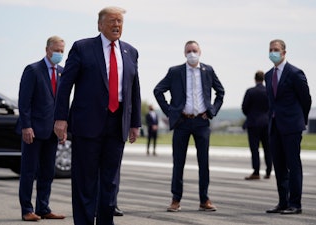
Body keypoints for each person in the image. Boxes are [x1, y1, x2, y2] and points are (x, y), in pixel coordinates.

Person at [53, 6, 141, 225]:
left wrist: (135, 123)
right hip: (87, 124)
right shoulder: (83, 48)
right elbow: (65, 86)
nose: (116, 25)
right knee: (85, 180)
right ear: (100, 24)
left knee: (110, 182)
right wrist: (60, 118)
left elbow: (134, 90)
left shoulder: (131, 52)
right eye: (112, 21)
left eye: (120, 21)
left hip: (117, 124)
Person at [154, 40, 225, 212]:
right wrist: (170, 111)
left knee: (203, 162)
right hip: (182, 122)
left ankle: (204, 199)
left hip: (201, 122)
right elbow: (158, 90)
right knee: (178, 162)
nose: (192, 53)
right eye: (188, 51)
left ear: (200, 52)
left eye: (194, 50)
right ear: (184, 53)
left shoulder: (208, 70)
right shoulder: (175, 71)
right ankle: (175, 199)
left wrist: (212, 111)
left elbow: (220, 92)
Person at [16, 36, 66, 221]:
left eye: (62, 50)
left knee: (47, 172)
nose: (59, 54)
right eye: (57, 50)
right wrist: (26, 126)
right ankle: (27, 210)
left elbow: (62, 103)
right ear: (47, 50)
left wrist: (63, 127)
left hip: (52, 132)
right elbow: (24, 102)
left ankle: (43, 208)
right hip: (33, 130)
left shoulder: (62, 72)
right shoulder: (33, 70)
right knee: (29, 171)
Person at [264, 39, 312, 215]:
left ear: (284, 52)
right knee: (279, 165)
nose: (272, 52)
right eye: (270, 49)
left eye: (276, 49)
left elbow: (306, 99)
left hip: (291, 126)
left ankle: (295, 203)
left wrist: (300, 120)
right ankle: (283, 202)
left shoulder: (295, 73)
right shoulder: (268, 75)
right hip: (275, 126)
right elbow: (271, 101)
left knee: (293, 165)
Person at [241, 70, 272, 180]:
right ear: (263, 79)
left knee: (255, 149)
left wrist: (251, 115)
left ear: (255, 79)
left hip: (253, 122)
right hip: (266, 122)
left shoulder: (250, 91)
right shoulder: (269, 91)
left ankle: (256, 171)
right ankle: (269, 170)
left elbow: (244, 107)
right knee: (267, 148)